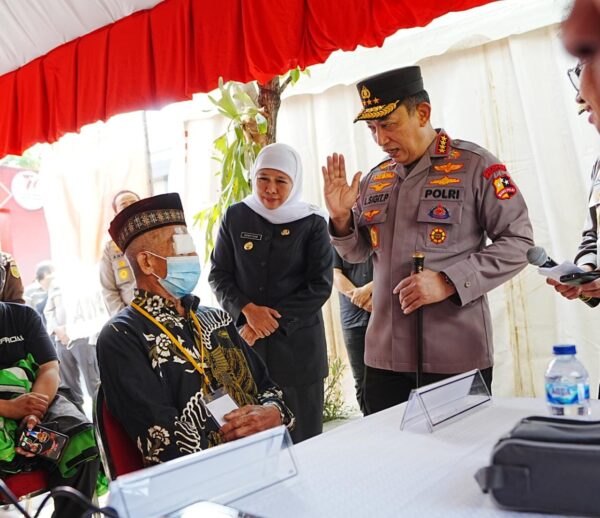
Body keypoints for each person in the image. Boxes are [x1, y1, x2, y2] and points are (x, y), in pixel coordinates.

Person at [322, 66, 534, 415]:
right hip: (384, 357)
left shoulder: (475, 166)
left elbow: (519, 242)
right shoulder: (376, 179)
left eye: (389, 124)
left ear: (422, 113)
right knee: (386, 448)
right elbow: (358, 252)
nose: (380, 139)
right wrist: (341, 218)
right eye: (373, 129)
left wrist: (449, 281)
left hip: (452, 354)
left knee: (458, 447)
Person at [97, 193, 293, 466]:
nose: (193, 257)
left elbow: (268, 388)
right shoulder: (122, 336)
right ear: (147, 263)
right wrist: (241, 459)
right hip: (201, 481)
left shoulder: (217, 319)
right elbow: (161, 439)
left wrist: (273, 413)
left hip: (267, 461)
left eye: (192, 248)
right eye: (182, 248)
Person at [209, 143, 332, 443]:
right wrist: (247, 311)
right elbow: (219, 274)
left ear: (295, 182)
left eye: (281, 181)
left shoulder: (313, 222)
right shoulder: (236, 216)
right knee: (256, 442)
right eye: (263, 178)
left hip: (298, 353)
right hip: (247, 350)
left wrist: (266, 323)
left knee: (304, 442)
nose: (271, 189)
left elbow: (319, 285)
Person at [0, 300, 100, 518]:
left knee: (80, 443)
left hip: (35, 402)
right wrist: (7, 407)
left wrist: (33, 412)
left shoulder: (23, 316)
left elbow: (49, 369)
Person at [44, 277, 100, 410]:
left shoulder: (87, 278)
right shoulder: (56, 282)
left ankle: (100, 417)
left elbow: (95, 310)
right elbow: (49, 310)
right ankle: (78, 418)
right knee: (68, 387)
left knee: (94, 384)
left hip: (84, 337)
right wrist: (57, 329)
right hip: (61, 340)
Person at [332, 250, 372, 415]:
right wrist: (360, 298)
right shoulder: (335, 237)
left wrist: (369, 289)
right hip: (352, 317)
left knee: (390, 374)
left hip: (384, 311)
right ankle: (368, 419)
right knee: (361, 378)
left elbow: (392, 269)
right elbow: (334, 274)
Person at [99, 190, 140, 316]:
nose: (129, 208)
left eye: (133, 203)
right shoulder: (110, 249)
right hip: (133, 315)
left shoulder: (157, 236)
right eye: (123, 205)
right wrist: (125, 318)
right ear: (117, 214)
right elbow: (108, 290)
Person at [23, 261, 55, 325]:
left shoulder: (54, 288)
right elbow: (27, 313)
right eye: (53, 272)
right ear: (46, 274)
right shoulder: (29, 291)